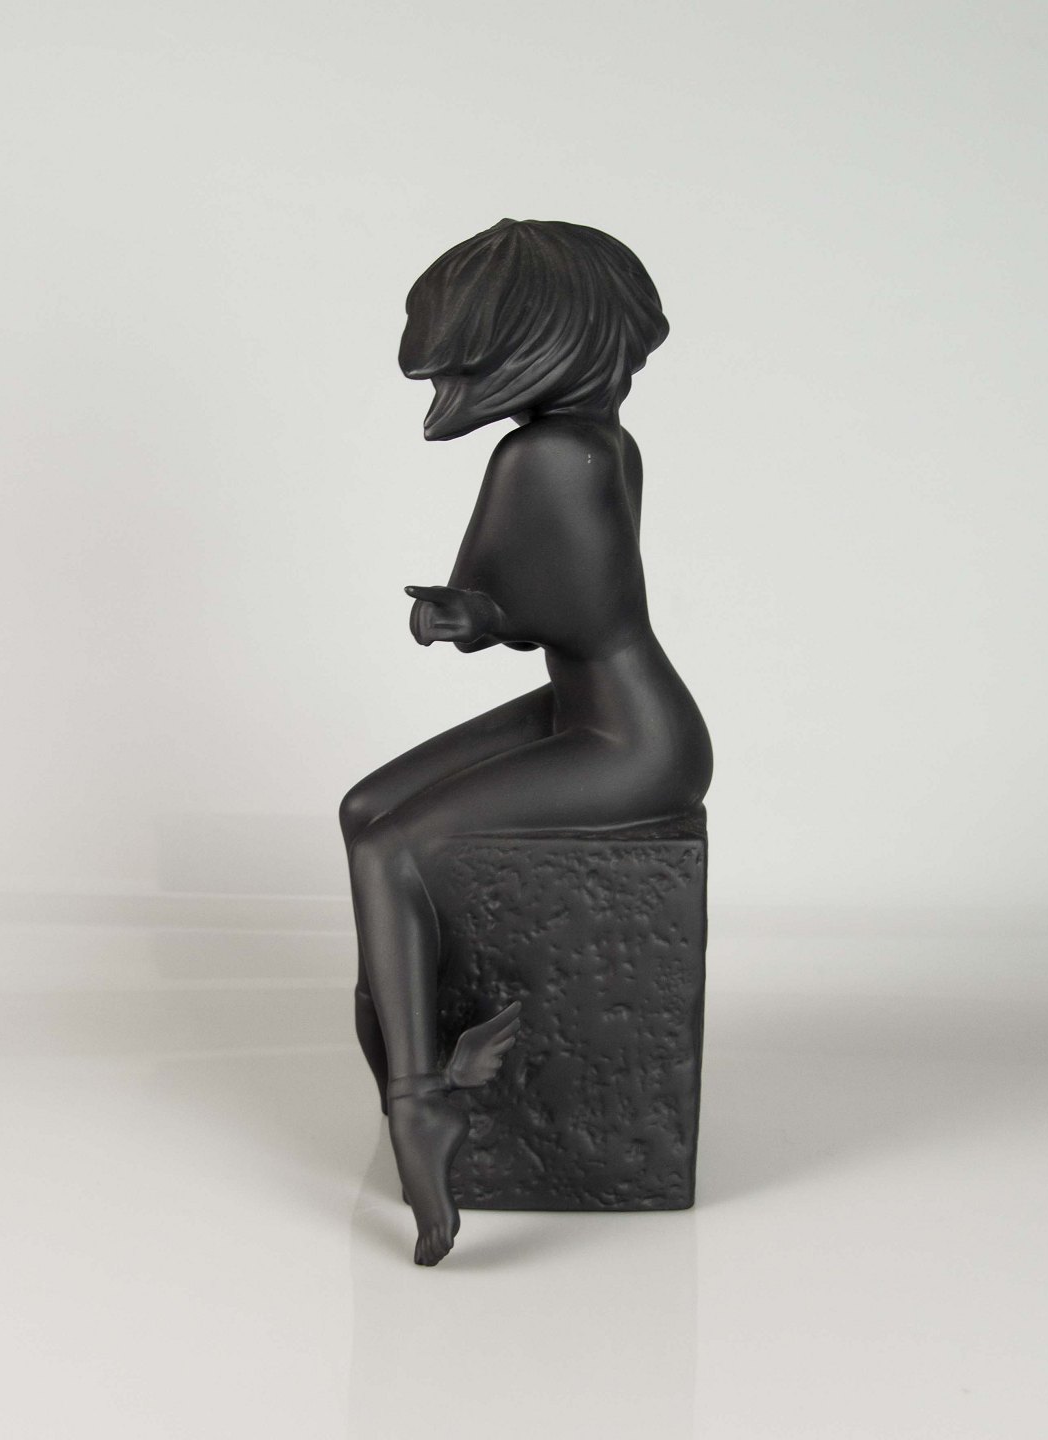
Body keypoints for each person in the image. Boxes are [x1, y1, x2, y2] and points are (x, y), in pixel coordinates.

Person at [340, 219, 713, 1265]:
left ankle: (422, 1104)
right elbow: (549, 603)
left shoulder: (549, 454)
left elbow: (587, 615)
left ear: (547, 340)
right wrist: (483, 615)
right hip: (597, 710)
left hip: (632, 741)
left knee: (389, 846)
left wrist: (483, 614)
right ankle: (405, 1045)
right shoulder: (589, 443)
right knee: (365, 810)